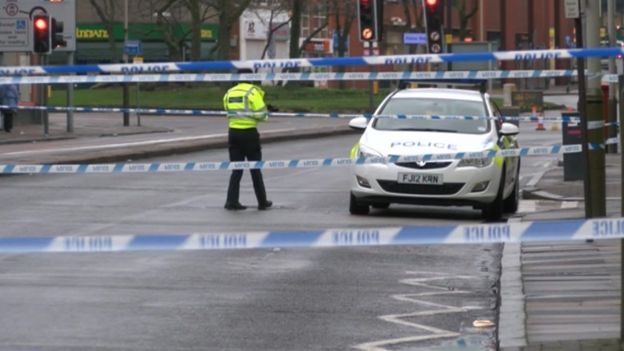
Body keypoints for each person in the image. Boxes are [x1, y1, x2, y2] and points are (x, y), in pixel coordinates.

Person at [223, 76, 272, 211]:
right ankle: (262, 201)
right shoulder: (252, 92)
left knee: (236, 169)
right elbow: (262, 114)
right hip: (249, 133)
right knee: (255, 168)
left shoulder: (230, 92)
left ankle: (231, 201)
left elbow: (227, 110)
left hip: (233, 133)